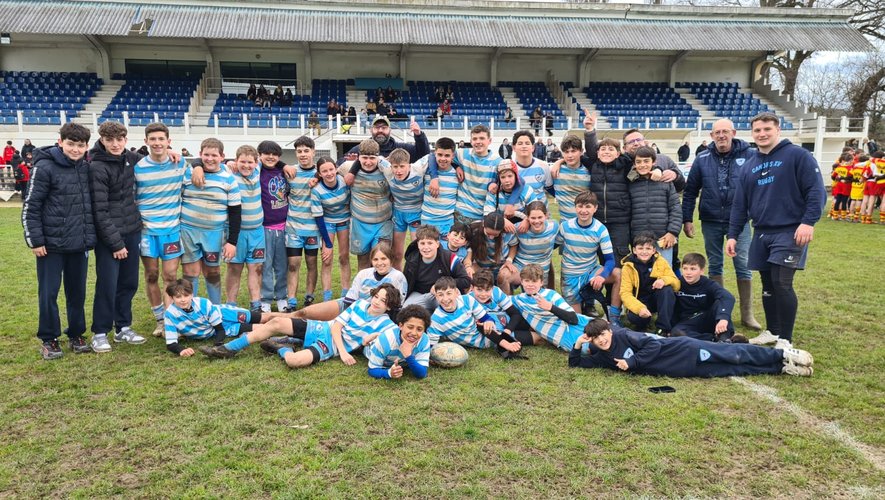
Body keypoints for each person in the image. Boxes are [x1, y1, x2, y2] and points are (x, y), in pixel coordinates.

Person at [726, 112, 826, 350]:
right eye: (757, 130)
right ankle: (772, 331)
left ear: (778, 130)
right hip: (762, 231)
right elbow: (740, 205)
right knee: (768, 284)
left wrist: (808, 222)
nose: (762, 134)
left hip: (790, 230)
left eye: (767, 129)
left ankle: (785, 339)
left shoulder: (798, 155)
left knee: (782, 283)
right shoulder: (749, 165)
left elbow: (816, 191)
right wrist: (733, 235)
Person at [23, 123, 95, 360]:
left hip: (78, 244)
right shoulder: (44, 167)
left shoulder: (86, 167)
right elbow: (31, 206)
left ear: (86, 146)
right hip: (50, 246)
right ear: (60, 142)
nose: (75, 149)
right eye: (71, 144)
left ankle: (76, 334)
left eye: (80, 145)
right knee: (49, 293)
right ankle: (49, 338)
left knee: (77, 294)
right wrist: (35, 240)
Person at [681, 118, 762, 330]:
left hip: (740, 220)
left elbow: (760, 187)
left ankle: (747, 314)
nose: (721, 135)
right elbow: (690, 191)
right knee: (715, 264)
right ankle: (718, 311)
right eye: (717, 132)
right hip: (711, 219)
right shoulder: (702, 158)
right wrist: (687, 218)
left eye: (725, 131)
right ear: (711, 136)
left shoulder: (750, 155)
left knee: (743, 264)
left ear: (733, 133)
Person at [202, 284, 402, 369]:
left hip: (329, 347)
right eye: (376, 297)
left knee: (294, 361)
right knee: (276, 322)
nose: (377, 302)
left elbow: (394, 342)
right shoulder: (359, 304)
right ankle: (228, 349)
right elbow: (336, 327)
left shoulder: (386, 325)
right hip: (323, 329)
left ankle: (282, 347)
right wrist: (344, 353)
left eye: (383, 301)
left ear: (389, 306)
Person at [569, 318, 814, 377]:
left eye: (603, 334)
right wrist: (578, 344)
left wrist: (631, 362)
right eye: (596, 339)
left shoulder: (625, 335)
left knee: (735, 354)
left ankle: (783, 353)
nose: (601, 340)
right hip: (683, 368)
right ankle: (782, 368)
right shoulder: (602, 356)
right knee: (734, 369)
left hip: (684, 349)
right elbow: (576, 363)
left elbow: (652, 345)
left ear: (610, 331)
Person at [87, 121, 145, 353]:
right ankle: (100, 332)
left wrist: (187, 159)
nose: (115, 144)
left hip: (132, 230)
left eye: (119, 139)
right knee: (107, 284)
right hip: (110, 237)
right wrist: (115, 243)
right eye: (109, 140)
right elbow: (99, 211)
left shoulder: (130, 159)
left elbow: (156, 160)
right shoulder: (96, 166)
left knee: (129, 283)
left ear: (125, 140)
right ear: (102, 140)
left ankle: (123, 327)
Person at [134, 123, 191, 337]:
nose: (157, 143)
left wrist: (196, 167)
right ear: (146, 141)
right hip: (147, 231)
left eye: (161, 139)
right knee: (151, 275)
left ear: (168, 141)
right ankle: (160, 320)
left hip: (171, 230)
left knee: (170, 276)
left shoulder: (180, 162)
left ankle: (170, 321)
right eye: (153, 139)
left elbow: (197, 172)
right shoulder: (138, 168)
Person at [180, 138, 241, 306]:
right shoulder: (188, 174)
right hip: (188, 231)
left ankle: (215, 308)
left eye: (214, 155)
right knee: (190, 272)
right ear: (200, 154)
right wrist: (196, 167)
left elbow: (235, 213)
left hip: (214, 233)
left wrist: (232, 242)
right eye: (206, 155)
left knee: (212, 272)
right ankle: (190, 310)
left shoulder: (229, 180)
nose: (210, 159)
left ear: (222, 157)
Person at [162, 279, 277, 357]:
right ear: (172, 298)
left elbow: (219, 329)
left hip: (224, 314)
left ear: (192, 294)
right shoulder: (170, 314)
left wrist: (217, 345)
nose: (183, 300)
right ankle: (284, 332)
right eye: (178, 297)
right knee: (261, 328)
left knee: (264, 318)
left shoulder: (204, 304)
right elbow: (171, 343)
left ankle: (288, 318)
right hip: (222, 329)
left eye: (186, 295)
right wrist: (182, 350)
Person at [294, 241, 406, 321]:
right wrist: (347, 318)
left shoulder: (398, 277)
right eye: (375, 259)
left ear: (391, 260)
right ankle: (283, 316)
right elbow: (349, 301)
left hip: (374, 317)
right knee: (304, 313)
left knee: (320, 325)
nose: (379, 263)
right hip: (350, 309)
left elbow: (396, 309)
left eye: (384, 258)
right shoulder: (364, 274)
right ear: (371, 261)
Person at [555, 191, 621, 321]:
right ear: (575, 207)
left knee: (619, 274)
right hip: (570, 276)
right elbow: (551, 246)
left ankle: (614, 318)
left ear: (595, 208)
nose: (583, 210)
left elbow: (610, 260)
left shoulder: (600, 229)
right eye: (580, 206)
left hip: (591, 272)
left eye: (588, 206)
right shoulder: (565, 227)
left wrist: (602, 276)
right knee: (576, 321)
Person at [427, 277, 525, 358]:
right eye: (440, 295)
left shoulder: (467, 300)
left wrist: (489, 321)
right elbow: (431, 347)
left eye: (449, 293)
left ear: (456, 292)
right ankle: (505, 344)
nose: (445, 299)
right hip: (488, 340)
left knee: (483, 324)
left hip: (494, 329)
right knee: (533, 338)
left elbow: (486, 318)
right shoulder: (436, 320)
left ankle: (506, 343)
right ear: (436, 297)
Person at [284, 136, 328, 311]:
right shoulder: (290, 172)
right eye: (299, 151)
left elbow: (337, 171)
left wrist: (318, 177)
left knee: (311, 263)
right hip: (293, 227)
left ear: (313, 152)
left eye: (306, 151)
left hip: (312, 228)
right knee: (293, 264)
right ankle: (291, 301)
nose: (303, 154)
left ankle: (309, 296)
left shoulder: (321, 173)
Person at [510, 264, 593, 351]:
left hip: (584, 323)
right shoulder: (518, 300)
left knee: (602, 335)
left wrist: (550, 307)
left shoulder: (551, 295)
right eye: (527, 281)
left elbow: (574, 319)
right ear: (521, 282)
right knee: (592, 349)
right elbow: (501, 298)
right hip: (564, 337)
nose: (530, 284)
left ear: (541, 282)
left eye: (534, 281)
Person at [671, 253, 746, 343]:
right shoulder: (677, 283)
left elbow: (727, 297)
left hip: (708, 317)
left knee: (720, 302)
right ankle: (714, 340)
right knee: (676, 333)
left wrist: (723, 318)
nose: (688, 272)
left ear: (702, 271)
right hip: (688, 321)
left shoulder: (708, 284)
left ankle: (725, 338)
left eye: (693, 269)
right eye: (685, 268)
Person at [225, 145, 265, 311]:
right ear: (236, 161)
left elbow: (273, 159)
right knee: (234, 269)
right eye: (242, 162)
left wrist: (284, 165)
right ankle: (230, 306)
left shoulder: (259, 170)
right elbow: (203, 163)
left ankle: (256, 306)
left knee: (256, 268)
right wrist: (228, 163)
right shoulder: (229, 173)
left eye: (250, 162)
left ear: (256, 162)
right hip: (237, 233)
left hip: (257, 231)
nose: (246, 166)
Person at [627, 146, 681, 267]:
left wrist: (672, 232)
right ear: (634, 164)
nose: (642, 165)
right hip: (639, 239)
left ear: (654, 162)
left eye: (646, 161)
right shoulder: (631, 184)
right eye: (638, 162)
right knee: (642, 274)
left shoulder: (665, 182)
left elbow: (675, 208)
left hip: (663, 238)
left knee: (664, 273)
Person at [619, 232, 679, 335]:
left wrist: (664, 280)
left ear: (653, 250)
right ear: (634, 250)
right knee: (636, 318)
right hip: (640, 301)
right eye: (640, 248)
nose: (644, 252)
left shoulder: (660, 261)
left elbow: (676, 283)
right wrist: (639, 308)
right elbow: (625, 293)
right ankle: (643, 324)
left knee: (667, 289)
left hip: (657, 298)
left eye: (648, 248)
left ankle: (663, 328)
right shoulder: (628, 267)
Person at [348, 139, 394, 271]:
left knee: (381, 258)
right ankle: (364, 285)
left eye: (372, 158)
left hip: (383, 223)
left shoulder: (386, 170)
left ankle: (384, 285)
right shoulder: (347, 167)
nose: (368, 162)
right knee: (363, 262)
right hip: (360, 223)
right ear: (358, 157)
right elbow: (328, 172)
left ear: (378, 157)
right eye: (364, 158)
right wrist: (316, 177)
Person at [402, 225, 470, 310]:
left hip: (443, 293)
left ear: (437, 244)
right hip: (420, 294)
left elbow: (465, 280)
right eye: (422, 243)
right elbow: (406, 284)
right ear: (418, 245)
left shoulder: (449, 258)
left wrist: (441, 285)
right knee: (406, 310)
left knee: (453, 305)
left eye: (430, 243)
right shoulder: (412, 260)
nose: (426, 247)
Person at [257, 140, 290, 313]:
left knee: (282, 265)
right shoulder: (257, 171)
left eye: (275, 154)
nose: (271, 157)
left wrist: (284, 165)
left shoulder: (283, 171)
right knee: (266, 265)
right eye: (267, 154)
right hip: (265, 227)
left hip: (284, 226)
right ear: (259, 155)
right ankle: (266, 299)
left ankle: (282, 296)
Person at [313, 156, 352, 301]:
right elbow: (318, 217)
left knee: (344, 257)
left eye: (331, 169)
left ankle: (345, 293)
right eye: (324, 171)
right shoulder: (317, 190)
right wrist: (328, 244)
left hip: (344, 221)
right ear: (319, 173)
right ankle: (327, 296)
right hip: (327, 222)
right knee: (326, 259)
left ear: (336, 169)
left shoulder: (344, 181)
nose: (329, 173)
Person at [503, 201, 559, 292]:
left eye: (540, 217)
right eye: (533, 218)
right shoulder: (519, 228)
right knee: (503, 276)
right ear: (527, 217)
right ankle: (507, 300)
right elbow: (495, 224)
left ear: (546, 216)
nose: (537, 221)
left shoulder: (554, 227)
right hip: (521, 266)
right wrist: (504, 220)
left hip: (541, 268)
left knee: (536, 297)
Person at [366, 305, 433, 380]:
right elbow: (372, 370)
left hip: (400, 360)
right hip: (371, 348)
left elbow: (421, 373)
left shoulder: (424, 340)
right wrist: (388, 373)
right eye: (410, 327)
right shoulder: (385, 340)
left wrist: (408, 356)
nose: (414, 333)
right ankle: (371, 338)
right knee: (366, 343)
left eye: (419, 329)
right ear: (401, 326)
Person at [341, 116, 429, 164]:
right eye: (377, 127)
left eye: (384, 127)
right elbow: (340, 162)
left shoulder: (402, 149)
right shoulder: (360, 149)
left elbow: (424, 155)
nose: (380, 130)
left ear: (390, 130)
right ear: (371, 130)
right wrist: (350, 163)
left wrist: (418, 134)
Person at [419, 138, 459, 236]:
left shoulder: (457, 174)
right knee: (427, 246)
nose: (443, 159)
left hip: (447, 222)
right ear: (435, 154)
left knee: (447, 246)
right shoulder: (426, 171)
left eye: (447, 155)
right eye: (440, 155)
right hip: (427, 220)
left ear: (453, 156)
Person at [551, 133, 591, 221]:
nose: (570, 155)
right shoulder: (555, 171)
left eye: (573, 151)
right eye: (566, 152)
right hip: (565, 224)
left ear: (581, 151)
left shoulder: (589, 172)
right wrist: (558, 162)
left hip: (586, 224)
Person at [860, 151, 883, 224]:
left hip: (867, 182)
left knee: (865, 200)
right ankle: (868, 218)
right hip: (873, 182)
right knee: (872, 200)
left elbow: (863, 171)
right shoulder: (877, 163)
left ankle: (863, 217)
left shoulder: (869, 163)